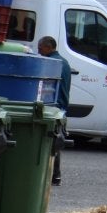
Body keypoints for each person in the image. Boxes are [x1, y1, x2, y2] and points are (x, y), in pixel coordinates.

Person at [37, 36, 71, 185]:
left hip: (56, 105)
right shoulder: (64, 62)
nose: (39, 52)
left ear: (48, 47)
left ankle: (54, 175)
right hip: (62, 105)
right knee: (56, 140)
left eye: (40, 49)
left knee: (53, 140)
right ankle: (55, 175)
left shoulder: (53, 63)